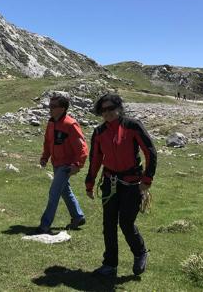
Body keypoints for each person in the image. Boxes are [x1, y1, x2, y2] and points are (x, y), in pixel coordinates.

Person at [84, 94, 157, 277]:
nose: (107, 113)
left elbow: (150, 152)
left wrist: (147, 180)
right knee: (108, 224)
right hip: (110, 183)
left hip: (132, 183)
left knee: (126, 222)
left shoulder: (133, 126)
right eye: (103, 110)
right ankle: (110, 265)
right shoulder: (99, 132)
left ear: (118, 107)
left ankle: (140, 252)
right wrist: (90, 182)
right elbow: (95, 159)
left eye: (110, 108)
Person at [37, 94, 88, 234]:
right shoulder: (51, 122)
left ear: (63, 108)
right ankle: (78, 217)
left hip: (66, 165)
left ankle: (44, 225)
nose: (50, 109)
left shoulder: (70, 124)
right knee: (65, 191)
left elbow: (82, 147)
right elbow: (48, 142)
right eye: (49, 106)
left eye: (53, 106)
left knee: (54, 193)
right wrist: (44, 157)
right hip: (56, 163)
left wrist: (78, 164)